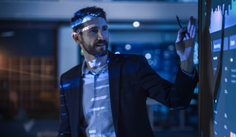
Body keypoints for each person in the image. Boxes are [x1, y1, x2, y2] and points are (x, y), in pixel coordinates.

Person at [58, 6, 198, 137]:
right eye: (93, 31)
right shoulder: (68, 80)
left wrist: (186, 60)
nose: (102, 36)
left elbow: (177, 100)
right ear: (77, 38)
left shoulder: (133, 67)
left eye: (104, 28)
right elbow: (66, 130)